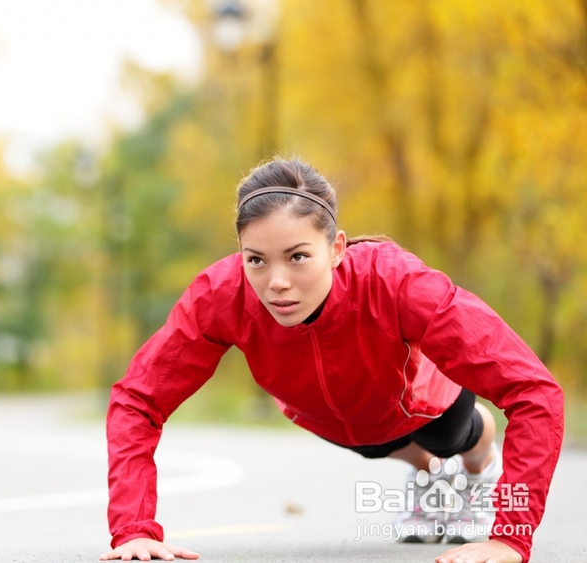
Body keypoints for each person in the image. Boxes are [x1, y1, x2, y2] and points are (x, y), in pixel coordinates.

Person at [100, 158, 564, 563]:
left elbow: (533, 391)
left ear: (337, 248)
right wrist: (133, 529)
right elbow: (139, 399)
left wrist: (511, 536)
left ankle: (478, 463)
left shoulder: (397, 283)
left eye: (298, 257)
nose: (276, 282)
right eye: (256, 260)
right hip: (333, 416)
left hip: (423, 400)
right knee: (370, 443)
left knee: (448, 440)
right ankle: (428, 476)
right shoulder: (220, 296)